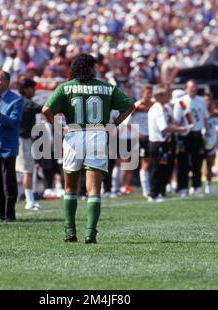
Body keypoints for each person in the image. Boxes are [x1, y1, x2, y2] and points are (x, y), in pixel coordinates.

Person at [42, 54, 134, 244]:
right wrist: (114, 124)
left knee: (70, 187)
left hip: (73, 135)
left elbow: (45, 110)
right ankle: (90, 233)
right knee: (94, 190)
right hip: (97, 135)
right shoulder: (107, 87)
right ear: (91, 67)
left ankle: (70, 231)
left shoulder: (65, 87)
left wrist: (58, 128)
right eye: (95, 66)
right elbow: (129, 106)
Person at [0, 70, 23, 221]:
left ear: (7, 82)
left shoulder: (16, 100)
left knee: (8, 180)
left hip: (7, 146)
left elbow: (15, 122)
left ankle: (10, 214)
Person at [148, 86, 190, 202]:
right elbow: (164, 127)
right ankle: (153, 193)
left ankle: (161, 192)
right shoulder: (157, 109)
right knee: (157, 168)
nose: (168, 96)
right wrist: (181, 130)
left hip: (165, 141)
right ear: (159, 96)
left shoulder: (164, 108)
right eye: (165, 94)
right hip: (157, 142)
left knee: (166, 168)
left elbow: (171, 122)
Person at [174, 80, 209, 197]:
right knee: (183, 162)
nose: (192, 89)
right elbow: (176, 120)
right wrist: (180, 130)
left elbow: (205, 117)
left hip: (197, 134)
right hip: (185, 135)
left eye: (194, 87)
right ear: (186, 89)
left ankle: (197, 187)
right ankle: (182, 188)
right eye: (190, 87)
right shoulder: (181, 101)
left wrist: (207, 131)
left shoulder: (201, 100)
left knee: (197, 162)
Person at [16, 77, 43, 211]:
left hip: (23, 139)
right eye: (32, 88)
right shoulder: (26, 102)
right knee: (27, 170)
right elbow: (42, 108)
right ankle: (29, 201)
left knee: (27, 170)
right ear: (26, 89)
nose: (34, 91)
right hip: (22, 140)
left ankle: (29, 198)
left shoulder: (23, 101)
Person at [123, 84, 153, 198]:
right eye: (147, 93)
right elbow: (127, 124)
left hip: (152, 138)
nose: (149, 95)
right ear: (142, 94)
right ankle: (145, 190)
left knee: (149, 162)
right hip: (141, 139)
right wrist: (139, 135)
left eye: (151, 93)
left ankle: (150, 187)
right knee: (141, 163)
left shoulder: (153, 105)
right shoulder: (136, 106)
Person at [203, 93, 218, 194]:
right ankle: (195, 186)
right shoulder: (200, 114)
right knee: (195, 165)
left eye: (209, 100)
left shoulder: (216, 115)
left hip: (212, 143)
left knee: (209, 164)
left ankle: (208, 184)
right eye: (205, 100)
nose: (207, 103)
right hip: (201, 142)